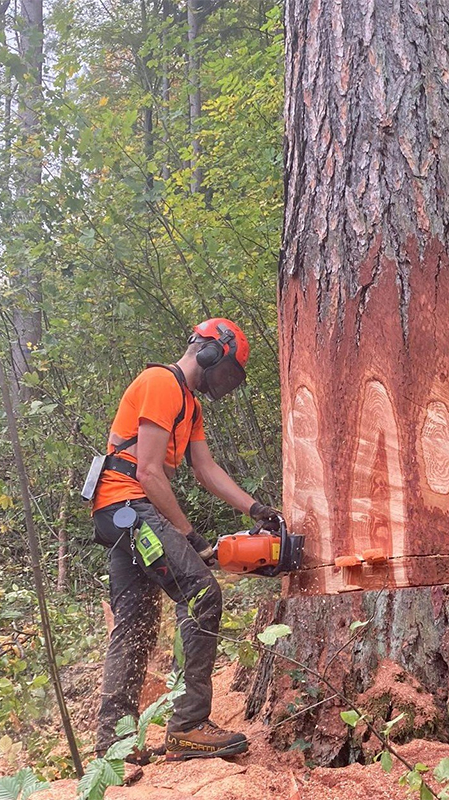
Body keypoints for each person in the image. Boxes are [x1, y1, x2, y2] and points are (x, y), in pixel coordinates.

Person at [91, 317, 278, 762]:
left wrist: (256, 508)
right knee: (200, 593)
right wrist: (190, 536)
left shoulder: (189, 405)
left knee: (135, 624)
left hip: (122, 512)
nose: (225, 382)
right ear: (211, 351)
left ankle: (114, 747)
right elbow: (149, 472)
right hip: (129, 505)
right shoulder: (161, 382)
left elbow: (206, 469)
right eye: (227, 370)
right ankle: (188, 724)